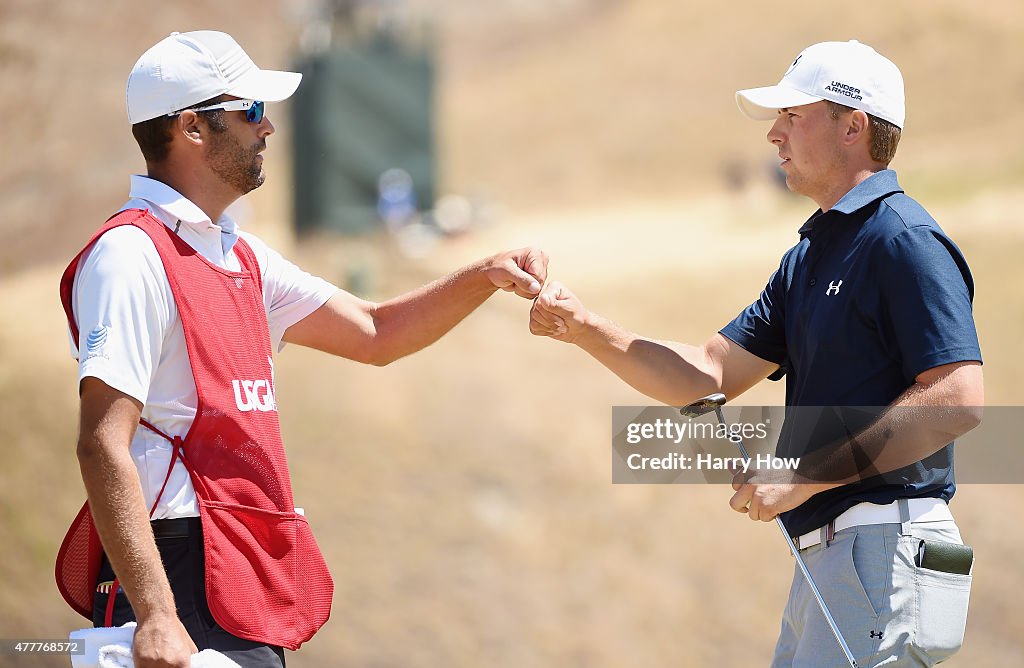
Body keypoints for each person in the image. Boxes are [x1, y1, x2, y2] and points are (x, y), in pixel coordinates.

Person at [56, 30, 548, 668]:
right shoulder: (129, 254)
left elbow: (376, 333)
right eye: (252, 111)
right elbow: (101, 441)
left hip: (240, 561)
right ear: (191, 130)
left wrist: (483, 274)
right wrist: (155, 614)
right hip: (174, 564)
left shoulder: (241, 255)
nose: (268, 130)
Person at [530, 40, 982, 667]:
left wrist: (802, 475)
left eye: (793, 116)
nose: (774, 134)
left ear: (853, 127)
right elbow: (708, 373)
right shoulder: (808, 259)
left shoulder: (902, 239)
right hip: (834, 557)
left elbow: (957, 399)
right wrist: (585, 329)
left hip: (884, 547)